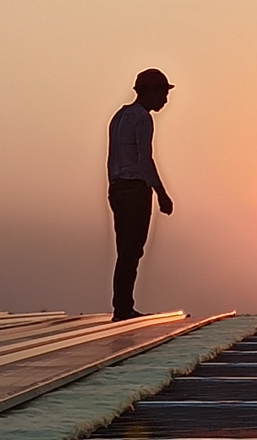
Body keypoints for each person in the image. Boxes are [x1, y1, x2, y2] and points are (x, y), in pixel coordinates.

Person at [106, 68, 175, 321]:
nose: (165, 100)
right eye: (163, 93)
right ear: (151, 91)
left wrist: (113, 186)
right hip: (135, 189)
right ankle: (123, 309)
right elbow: (144, 159)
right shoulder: (143, 118)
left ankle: (122, 305)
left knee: (124, 250)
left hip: (117, 188)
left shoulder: (119, 116)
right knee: (132, 250)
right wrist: (161, 193)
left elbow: (112, 158)